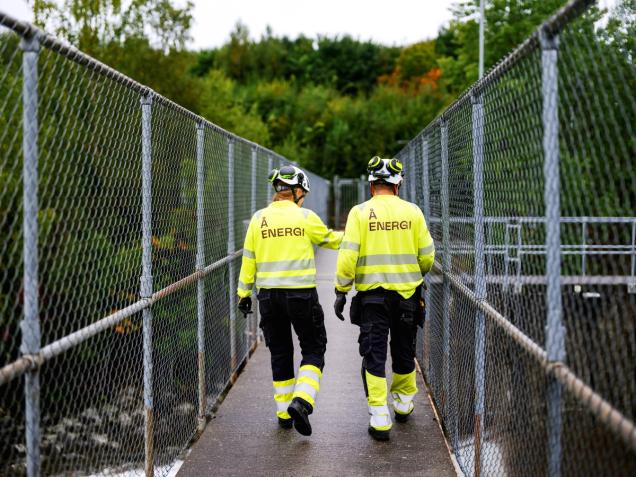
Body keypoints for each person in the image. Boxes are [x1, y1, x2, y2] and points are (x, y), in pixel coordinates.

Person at [333, 156, 435, 441]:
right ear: (397, 184)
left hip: (372, 298)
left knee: (374, 352)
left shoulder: (359, 213)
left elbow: (347, 257)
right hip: (407, 294)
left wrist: (341, 290)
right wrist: (416, 273)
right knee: (404, 348)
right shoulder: (413, 212)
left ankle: (379, 417)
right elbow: (427, 255)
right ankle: (403, 403)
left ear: (370, 185)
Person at [237, 165, 343, 436]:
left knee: (280, 352)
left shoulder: (258, 219)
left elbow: (249, 259)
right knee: (314, 348)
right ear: (295, 191)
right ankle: (302, 401)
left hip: (268, 297)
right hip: (301, 295)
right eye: (303, 194)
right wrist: (356, 238)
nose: (304, 198)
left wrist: (243, 294)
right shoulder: (305, 216)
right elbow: (330, 240)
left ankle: (284, 413)